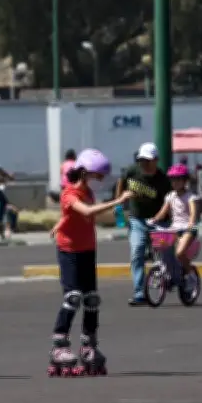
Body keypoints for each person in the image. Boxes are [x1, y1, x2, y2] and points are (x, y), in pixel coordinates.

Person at [47, 149, 132, 376]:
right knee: (72, 297)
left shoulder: (87, 193)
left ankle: (88, 345)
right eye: (98, 176)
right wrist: (118, 200)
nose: (101, 181)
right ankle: (59, 346)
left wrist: (60, 223)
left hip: (87, 249)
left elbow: (76, 215)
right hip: (70, 251)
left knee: (91, 299)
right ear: (84, 173)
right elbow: (83, 210)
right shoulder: (70, 193)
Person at [121, 143, 171, 306]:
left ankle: (170, 278)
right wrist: (118, 202)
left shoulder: (163, 180)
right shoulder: (132, 171)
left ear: (156, 160)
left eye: (148, 160)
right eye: (142, 160)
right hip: (137, 219)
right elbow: (121, 182)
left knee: (164, 254)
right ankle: (139, 293)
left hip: (158, 220)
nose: (144, 164)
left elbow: (168, 203)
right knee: (136, 252)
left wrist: (161, 219)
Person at [147, 164, 198, 287]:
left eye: (178, 179)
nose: (175, 182)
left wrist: (191, 223)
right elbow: (162, 212)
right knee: (160, 250)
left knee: (180, 253)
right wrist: (153, 220)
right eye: (173, 179)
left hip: (187, 229)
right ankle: (167, 274)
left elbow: (193, 212)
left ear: (185, 181)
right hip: (173, 229)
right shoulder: (170, 196)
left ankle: (191, 276)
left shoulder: (190, 197)